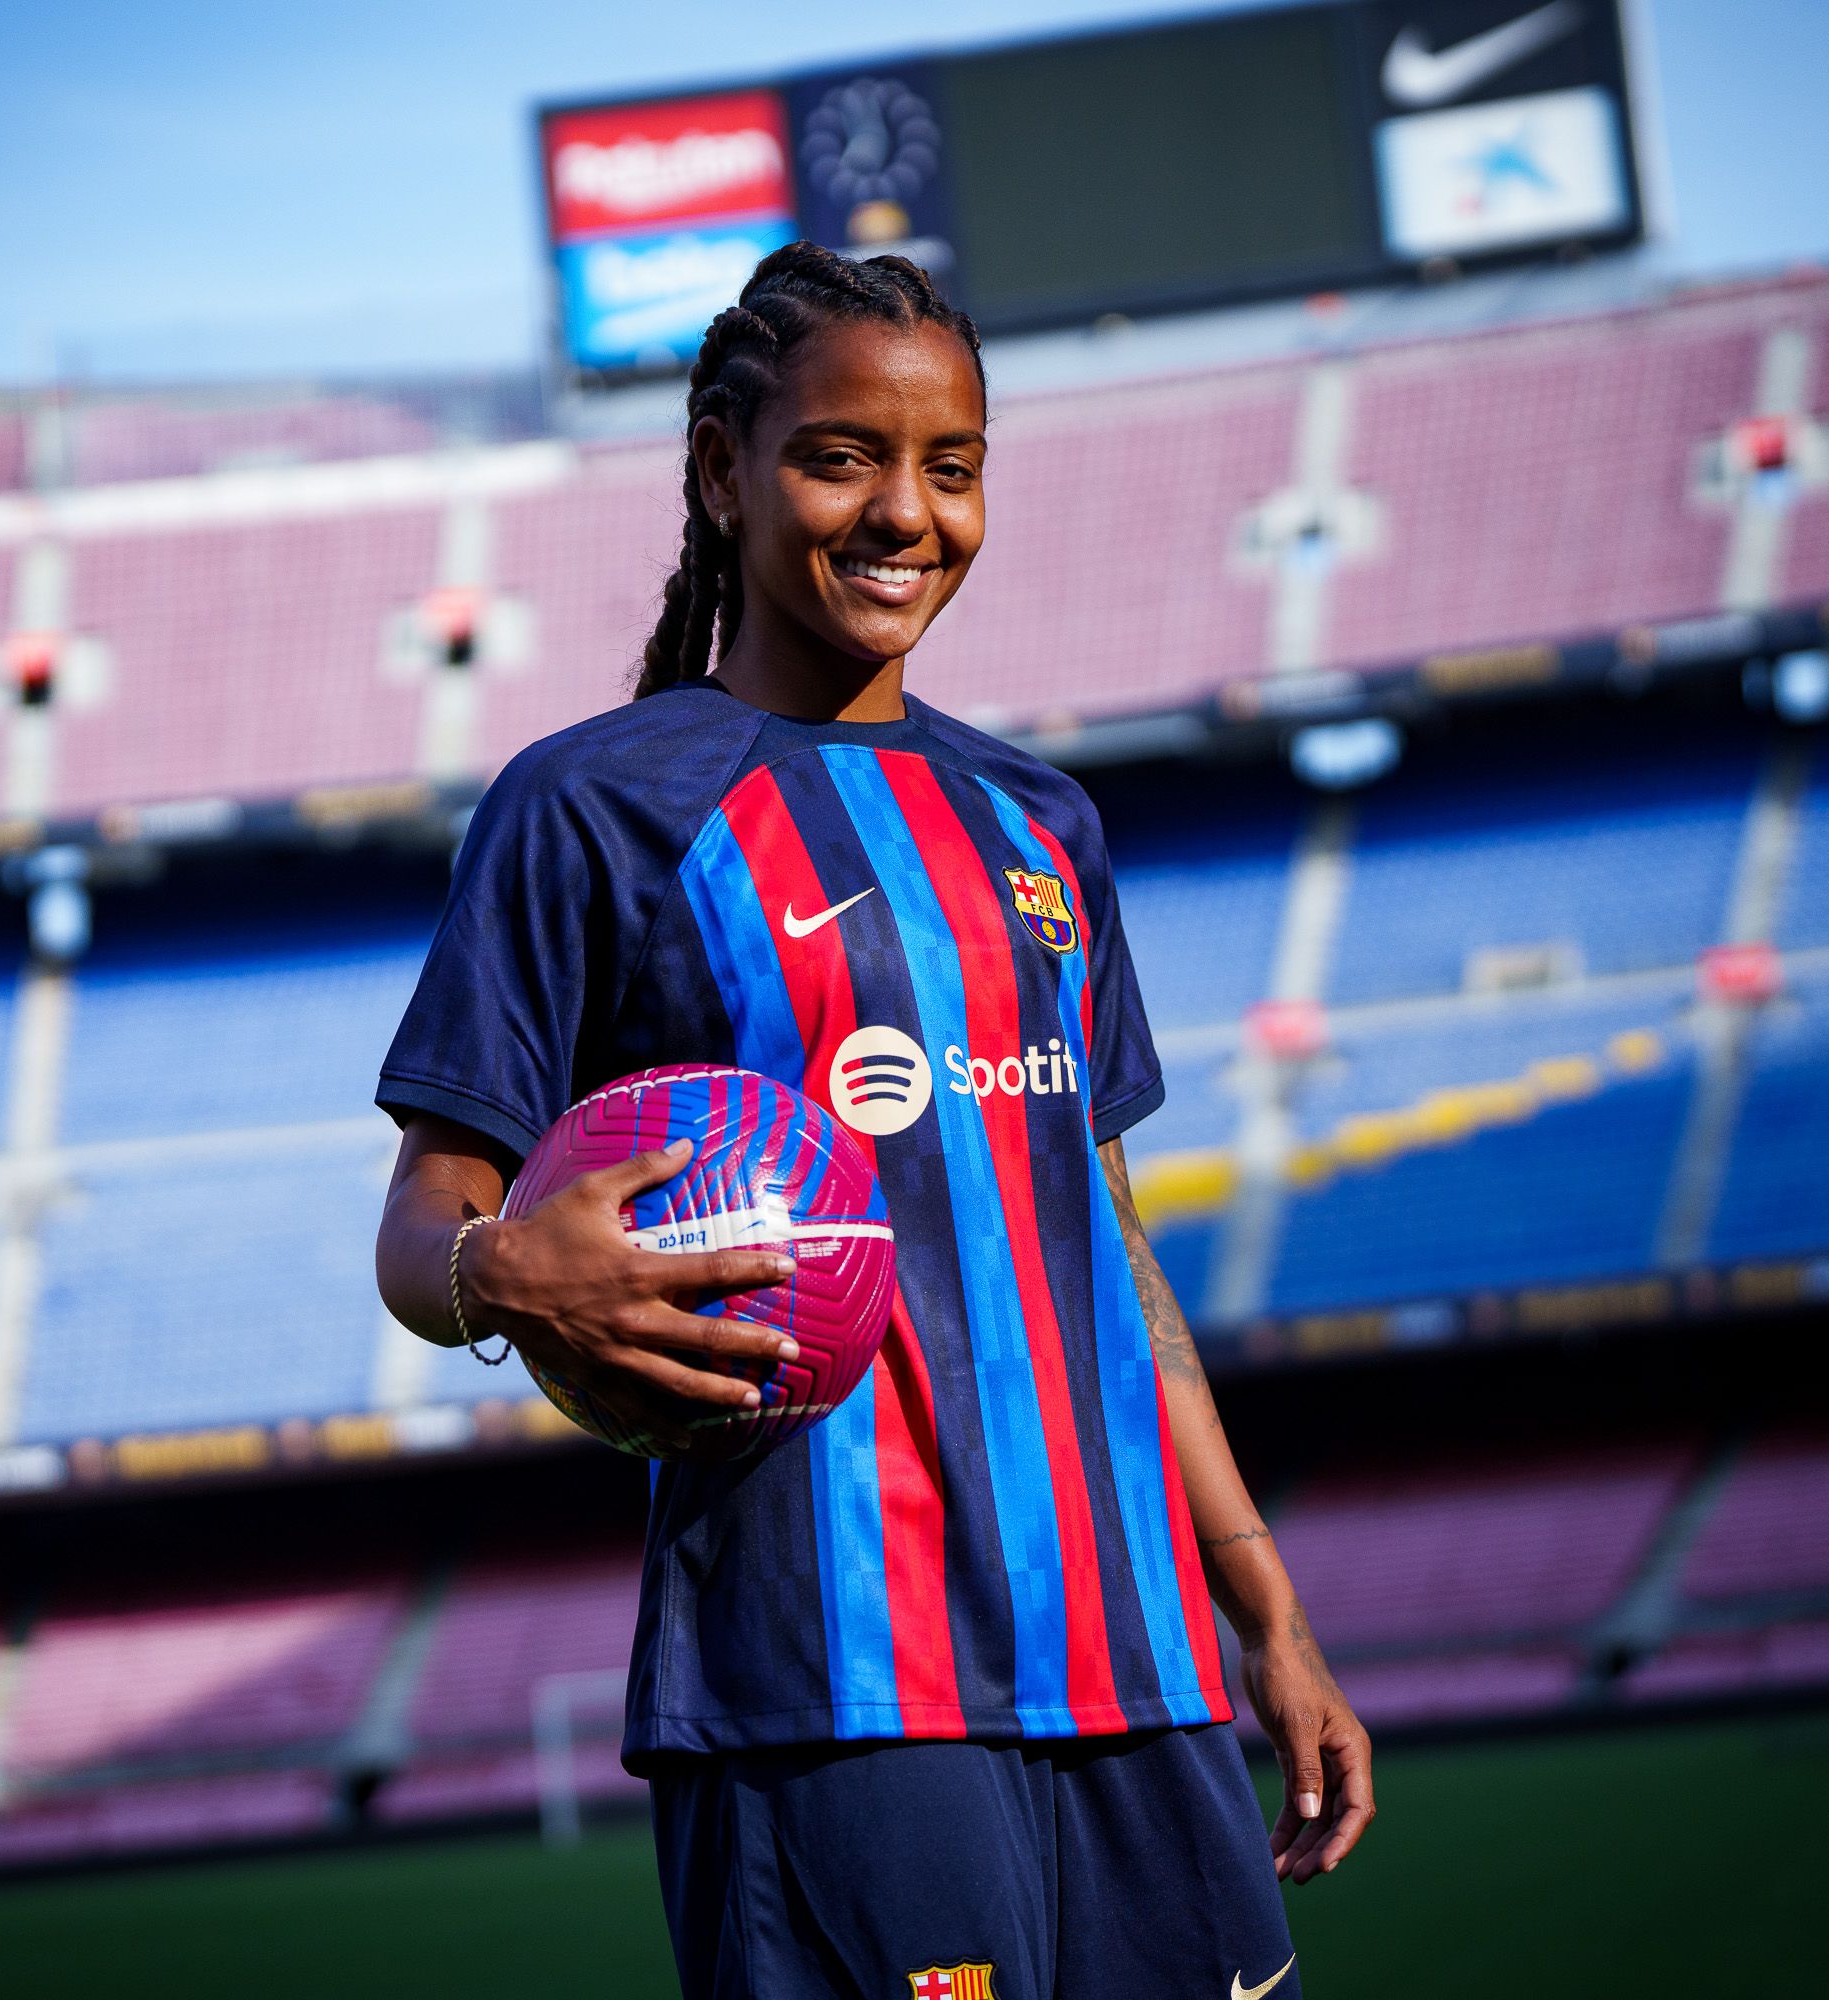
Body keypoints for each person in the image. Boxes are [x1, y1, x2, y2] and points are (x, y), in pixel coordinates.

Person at [374, 243, 1371, 1999]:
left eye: (952, 464)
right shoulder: (593, 807)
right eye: (842, 455)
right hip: (829, 1689)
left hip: (1136, 1668)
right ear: (720, 469)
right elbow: (425, 1222)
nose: (905, 510)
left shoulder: (1042, 821)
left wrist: (1263, 1608)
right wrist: (502, 1269)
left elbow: (1112, 1261)